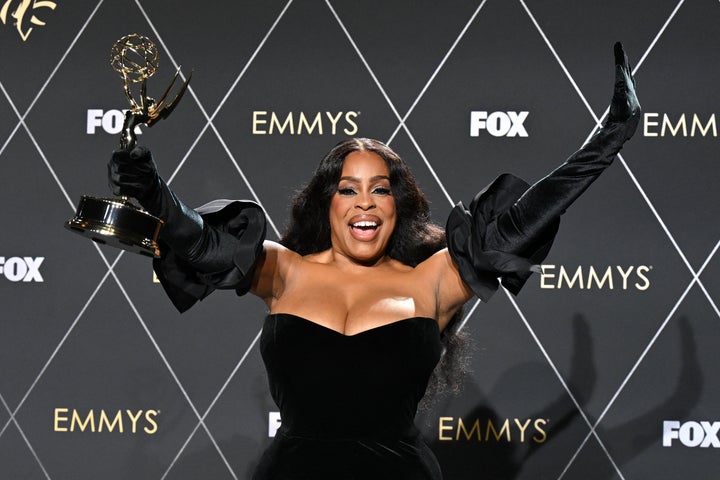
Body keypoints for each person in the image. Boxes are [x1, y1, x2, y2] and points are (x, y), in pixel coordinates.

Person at [108, 42, 640, 480]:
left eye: (380, 190)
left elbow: (521, 222)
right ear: (326, 204)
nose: (364, 202)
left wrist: (607, 141)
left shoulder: (432, 281)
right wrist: (154, 192)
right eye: (348, 190)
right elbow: (199, 242)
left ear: (398, 206)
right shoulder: (283, 270)